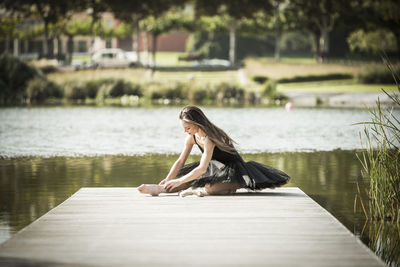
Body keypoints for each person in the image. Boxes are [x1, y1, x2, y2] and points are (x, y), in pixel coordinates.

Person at [138, 105, 290, 197]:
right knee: (179, 184)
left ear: (197, 123)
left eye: (188, 128)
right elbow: (180, 161)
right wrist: (169, 179)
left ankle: (235, 185)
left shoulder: (210, 138)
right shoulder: (192, 137)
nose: (185, 131)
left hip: (234, 170)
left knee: (209, 189)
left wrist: (179, 179)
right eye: (183, 128)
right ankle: (158, 189)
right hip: (215, 169)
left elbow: (203, 167)